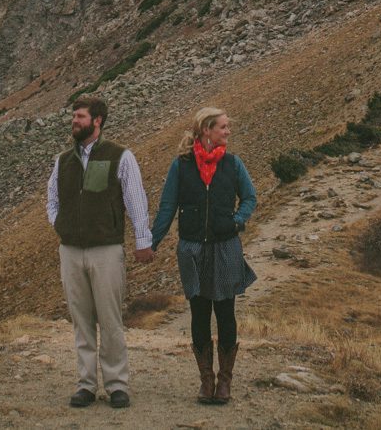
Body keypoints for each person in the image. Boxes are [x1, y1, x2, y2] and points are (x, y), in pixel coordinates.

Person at [46, 95, 154, 409]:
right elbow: (51, 200)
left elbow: (136, 200)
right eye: (73, 116)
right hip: (70, 251)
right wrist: (61, 225)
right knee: (80, 321)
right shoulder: (62, 160)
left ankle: (117, 385)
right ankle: (86, 385)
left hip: (106, 250)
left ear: (97, 121)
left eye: (80, 116)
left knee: (110, 320)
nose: (74, 121)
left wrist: (142, 240)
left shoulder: (121, 156)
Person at [149, 106, 257, 405]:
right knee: (199, 313)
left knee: (225, 313)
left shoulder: (233, 164)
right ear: (206, 130)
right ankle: (206, 381)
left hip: (225, 247)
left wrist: (237, 220)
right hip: (192, 248)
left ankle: (225, 381)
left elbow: (250, 197)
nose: (227, 132)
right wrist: (151, 243)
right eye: (223, 127)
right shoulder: (181, 165)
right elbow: (167, 207)